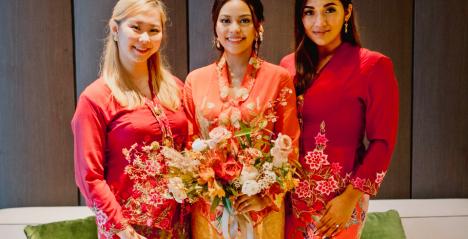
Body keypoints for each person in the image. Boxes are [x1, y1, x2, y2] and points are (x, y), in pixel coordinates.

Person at [280, 0, 399, 238]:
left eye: (330, 9)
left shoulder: (374, 66)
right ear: (300, 18)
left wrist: (349, 198)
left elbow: (382, 142)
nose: (319, 22)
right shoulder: (288, 66)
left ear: (348, 12)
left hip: (340, 202)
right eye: (309, 12)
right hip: (289, 203)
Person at [71, 0, 189, 238]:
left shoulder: (175, 88)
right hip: (127, 230)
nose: (145, 39)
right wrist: (123, 231)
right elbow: (90, 177)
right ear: (115, 29)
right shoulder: (96, 98)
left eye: (153, 30)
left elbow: (191, 149)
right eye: (136, 28)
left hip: (180, 226)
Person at [183, 0, 300, 238]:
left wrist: (266, 195)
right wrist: (208, 183)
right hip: (210, 210)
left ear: (259, 26)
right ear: (215, 26)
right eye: (225, 20)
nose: (234, 29)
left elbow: (290, 146)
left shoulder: (278, 78)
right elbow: (189, 143)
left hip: (261, 211)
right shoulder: (195, 80)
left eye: (244, 21)